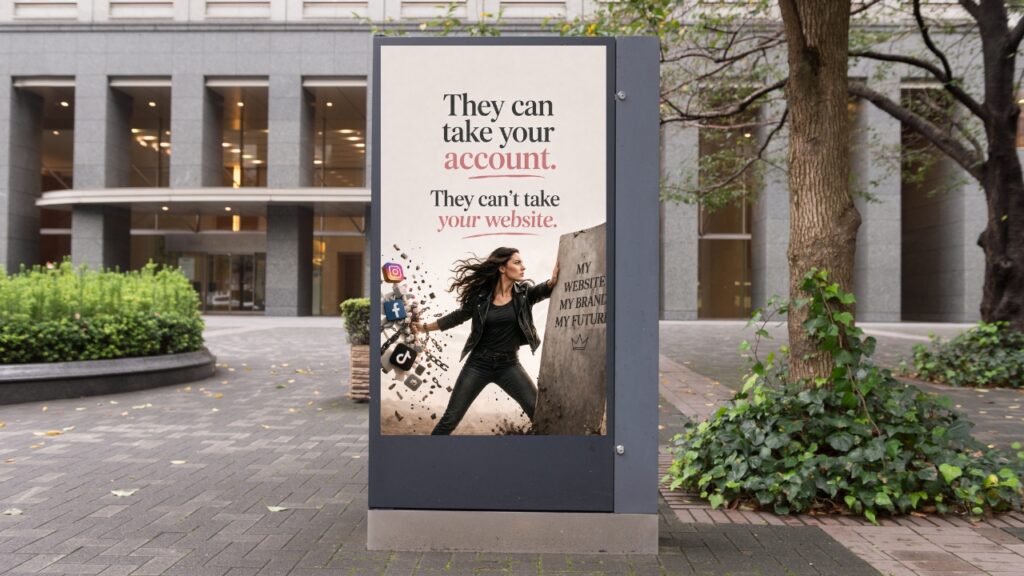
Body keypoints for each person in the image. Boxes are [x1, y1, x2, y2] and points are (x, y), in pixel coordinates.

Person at [413, 247, 558, 435]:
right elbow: (456, 317)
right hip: (478, 365)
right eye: (517, 262)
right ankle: (426, 457)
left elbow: (541, 290)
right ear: (502, 268)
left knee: (538, 414)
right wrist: (424, 327)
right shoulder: (480, 298)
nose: (523, 267)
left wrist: (551, 282)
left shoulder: (523, 295)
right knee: (450, 419)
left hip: (509, 366)